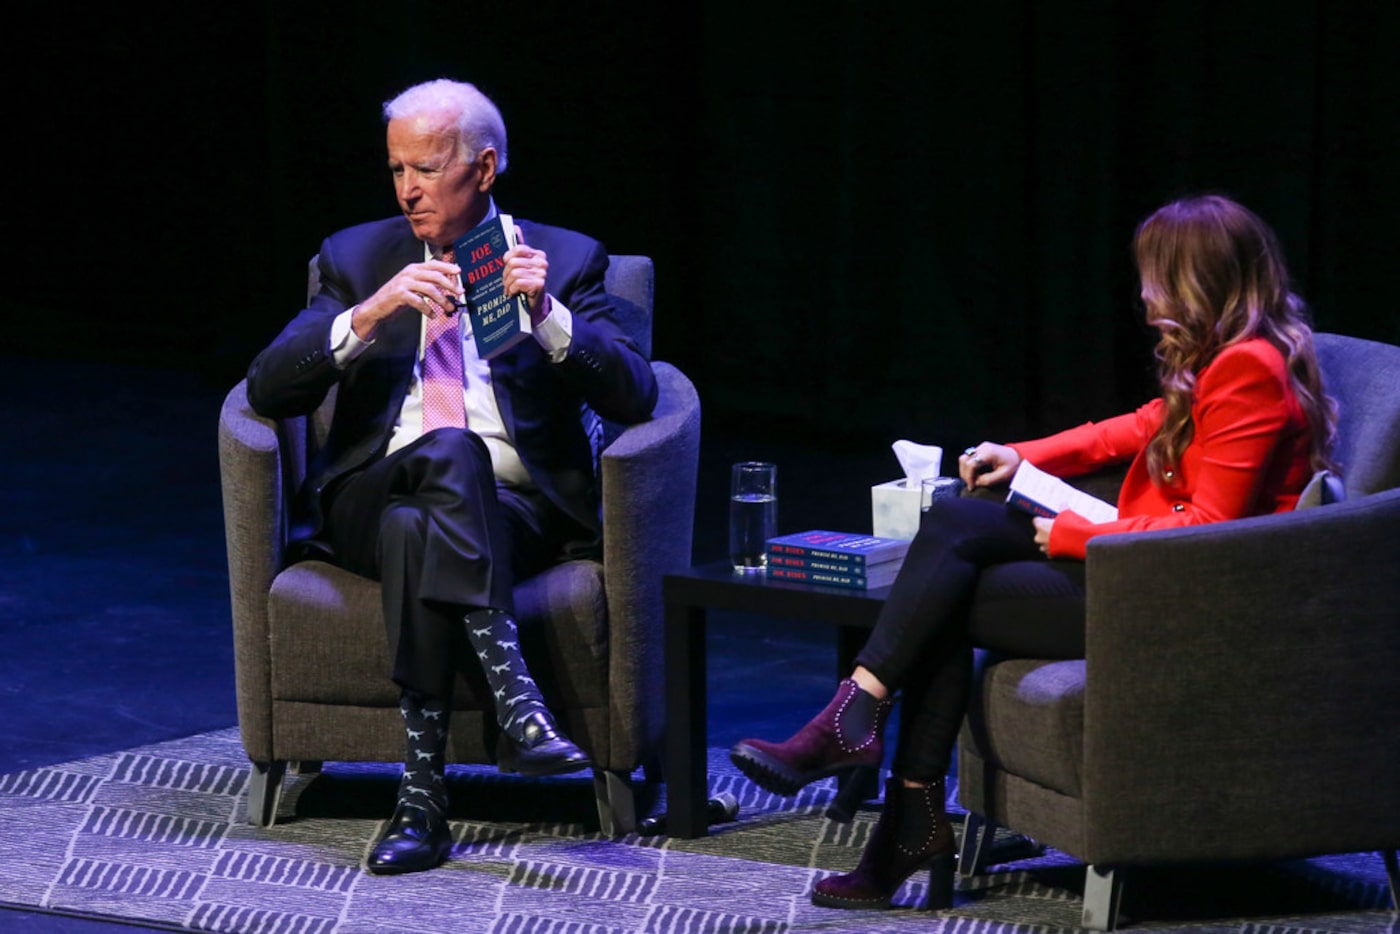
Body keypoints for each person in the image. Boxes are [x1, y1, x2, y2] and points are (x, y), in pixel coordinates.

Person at [729, 194, 1337, 910]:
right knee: (960, 528)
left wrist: (1078, 534)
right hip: (1154, 575)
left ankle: (874, 769)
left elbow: (1207, 530)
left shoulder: (1249, 371)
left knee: (945, 595)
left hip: (1181, 601)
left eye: (1154, 276)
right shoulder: (1231, 358)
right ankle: (871, 755)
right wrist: (1022, 455)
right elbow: (1134, 428)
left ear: (1197, 279)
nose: (1143, 293)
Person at [245, 79, 658, 875]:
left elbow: (638, 393)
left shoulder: (566, 260)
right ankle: (518, 702)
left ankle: (423, 799)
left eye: (427, 169)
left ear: (486, 167)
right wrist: (369, 316)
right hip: (368, 494)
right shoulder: (358, 257)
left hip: (515, 509)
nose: (407, 191)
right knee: (442, 457)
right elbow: (268, 388)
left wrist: (547, 318)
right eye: (396, 169)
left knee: (433, 502)